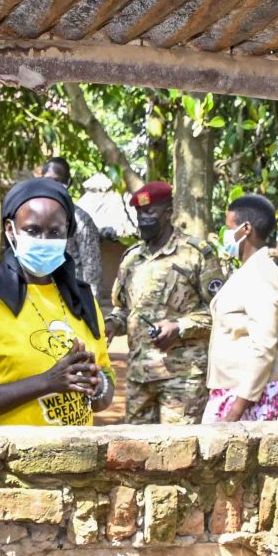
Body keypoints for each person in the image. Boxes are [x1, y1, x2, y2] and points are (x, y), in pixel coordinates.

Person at [0, 176, 113, 427]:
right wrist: (46, 382)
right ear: (11, 230)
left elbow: (106, 379)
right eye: (32, 230)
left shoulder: (82, 299)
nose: (44, 240)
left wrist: (97, 386)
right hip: (7, 461)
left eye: (55, 232)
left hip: (76, 458)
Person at [108, 180, 225, 424]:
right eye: (139, 213)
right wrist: (111, 325)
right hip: (139, 375)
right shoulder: (131, 259)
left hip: (183, 378)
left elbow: (220, 313)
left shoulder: (196, 254)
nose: (143, 218)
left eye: (150, 212)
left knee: (179, 454)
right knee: (134, 453)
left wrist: (180, 327)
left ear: (168, 213)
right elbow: (123, 310)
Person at [203, 192, 278, 422]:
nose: (224, 234)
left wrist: (236, 410)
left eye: (229, 227)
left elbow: (263, 345)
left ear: (245, 229)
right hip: (241, 392)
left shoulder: (260, 275)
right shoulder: (249, 270)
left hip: (252, 398)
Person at [38, 157, 105, 302]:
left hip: (72, 298)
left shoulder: (81, 220)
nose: (52, 186)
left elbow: (92, 269)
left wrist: (90, 307)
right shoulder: (33, 217)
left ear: (68, 183)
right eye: (48, 180)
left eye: (57, 181)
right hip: (40, 297)